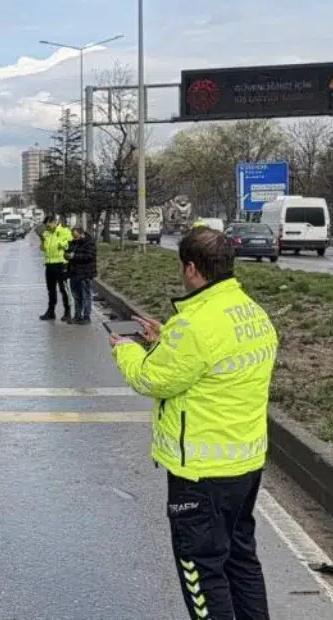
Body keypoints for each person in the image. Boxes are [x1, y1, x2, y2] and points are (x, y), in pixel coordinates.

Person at [109, 228, 277, 620]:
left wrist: (128, 351)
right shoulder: (250, 312)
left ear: (190, 268)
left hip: (200, 475)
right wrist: (164, 341)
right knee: (241, 561)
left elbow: (152, 379)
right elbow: (213, 363)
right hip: (245, 465)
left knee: (202, 572)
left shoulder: (196, 325)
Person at [39, 215, 73, 322]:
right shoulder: (46, 233)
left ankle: (67, 312)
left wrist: (61, 244)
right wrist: (42, 242)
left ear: (54, 222)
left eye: (49, 224)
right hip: (49, 265)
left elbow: (70, 244)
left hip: (61, 264)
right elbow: (44, 249)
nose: (47, 227)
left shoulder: (64, 231)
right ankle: (51, 311)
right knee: (51, 290)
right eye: (46, 225)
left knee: (64, 290)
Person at [65, 227, 97, 325]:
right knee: (76, 296)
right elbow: (67, 253)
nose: (74, 238)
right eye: (73, 236)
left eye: (76, 236)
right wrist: (66, 255)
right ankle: (77, 316)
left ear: (81, 234)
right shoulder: (73, 243)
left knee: (86, 296)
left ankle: (86, 317)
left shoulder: (89, 243)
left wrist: (74, 256)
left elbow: (90, 256)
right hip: (74, 273)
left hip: (85, 274)